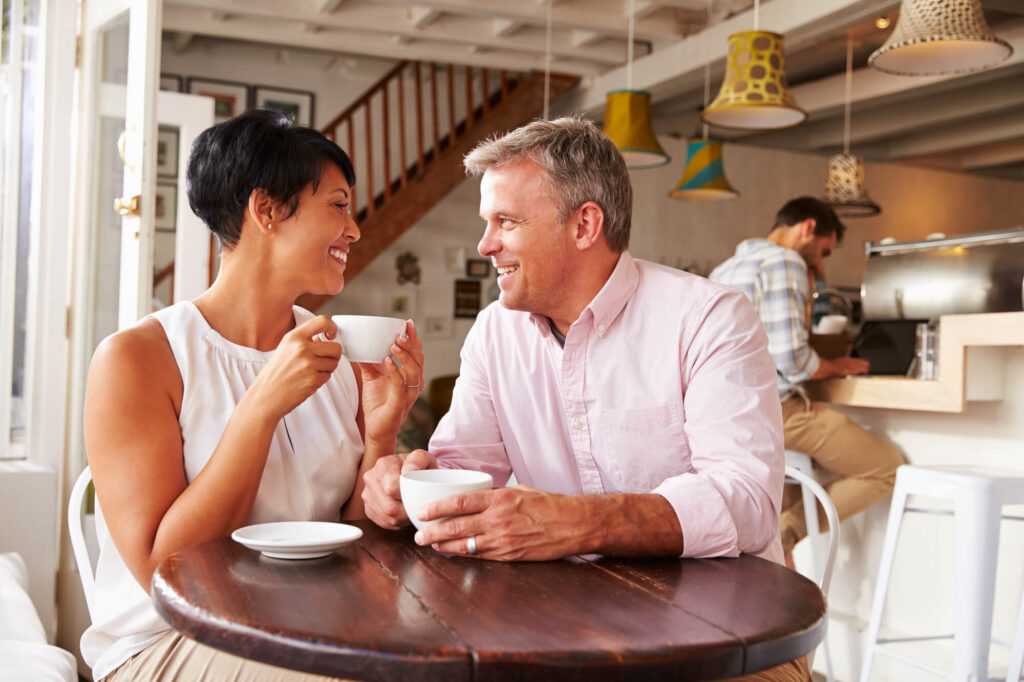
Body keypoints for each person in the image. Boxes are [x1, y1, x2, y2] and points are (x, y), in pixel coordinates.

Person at [363, 117, 807, 681]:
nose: (485, 244)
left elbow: (746, 502)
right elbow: (463, 469)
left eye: (507, 222)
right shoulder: (494, 332)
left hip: (726, 642)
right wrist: (409, 485)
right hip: (563, 628)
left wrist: (575, 522)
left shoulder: (709, 318)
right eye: (486, 222)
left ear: (584, 225)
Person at [81, 109, 424, 682]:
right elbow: (164, 572)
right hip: (170, 637)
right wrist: (261, 408)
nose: (355, 229)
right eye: (338, 206)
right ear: (266, 210)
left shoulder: (333, 353)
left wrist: (381, 434)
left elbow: (355, 546)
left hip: (313, 622)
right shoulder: (137, 359)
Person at [709, 196, 904, 560]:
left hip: (732, 417)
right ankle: (789, 530)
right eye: (824, 251)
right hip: (779, 412)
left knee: (785, 504)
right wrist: (838, 366)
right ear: (809, 227)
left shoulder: (725, 268)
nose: (819, 261)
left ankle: (785, 598)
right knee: (889, 468)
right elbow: (793, 359)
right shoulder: (785, 260)